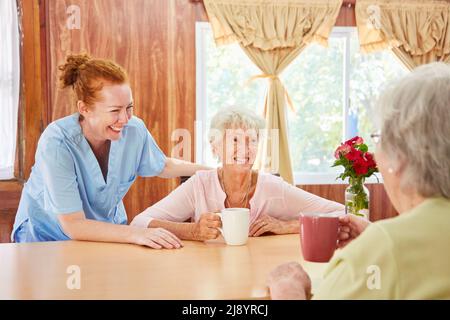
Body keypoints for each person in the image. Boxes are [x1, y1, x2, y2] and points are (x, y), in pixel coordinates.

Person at [268, 62, 450, 299]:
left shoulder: (384, 249)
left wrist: (287, 290)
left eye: (379, 138)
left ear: (401, 157)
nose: (375, 154)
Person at [11, 53, 209, 249]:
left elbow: (163, 165)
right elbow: (73, 224)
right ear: (84, 109)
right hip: (46, 239)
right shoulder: (57, 143)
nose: (125, 118)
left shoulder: (133, 130)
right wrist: (138, 233)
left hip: (104, 234)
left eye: (129, 107)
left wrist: (212, 171)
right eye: (115, 111)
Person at [130, 106, 344, 241]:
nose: (245, 148)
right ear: (215, 147)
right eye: (234, 140)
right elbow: (140, 223)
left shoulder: (272, 187)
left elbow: (342, 213)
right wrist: (193, 231)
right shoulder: (199, 185)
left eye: (252, 140)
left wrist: (286, 226)